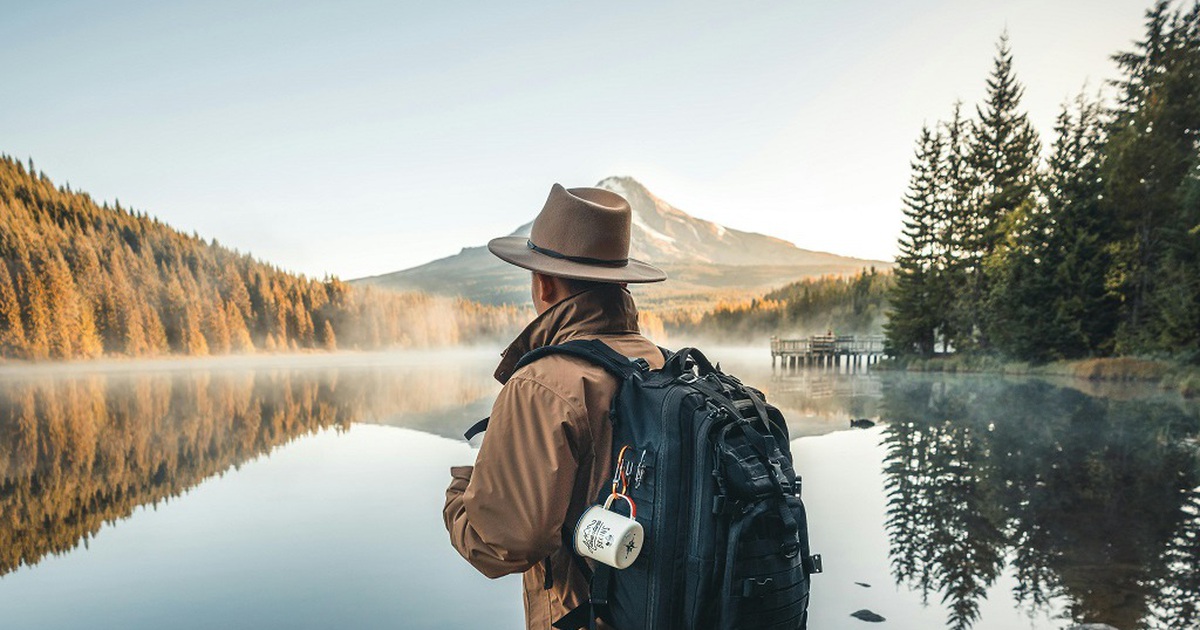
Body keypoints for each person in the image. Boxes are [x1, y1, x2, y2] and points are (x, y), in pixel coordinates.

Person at [443, 183, 667, 629]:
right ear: (621, 283)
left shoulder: (541, 385)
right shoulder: (659, 361)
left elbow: (501, 545)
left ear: (543, 284)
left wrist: (461, 495)